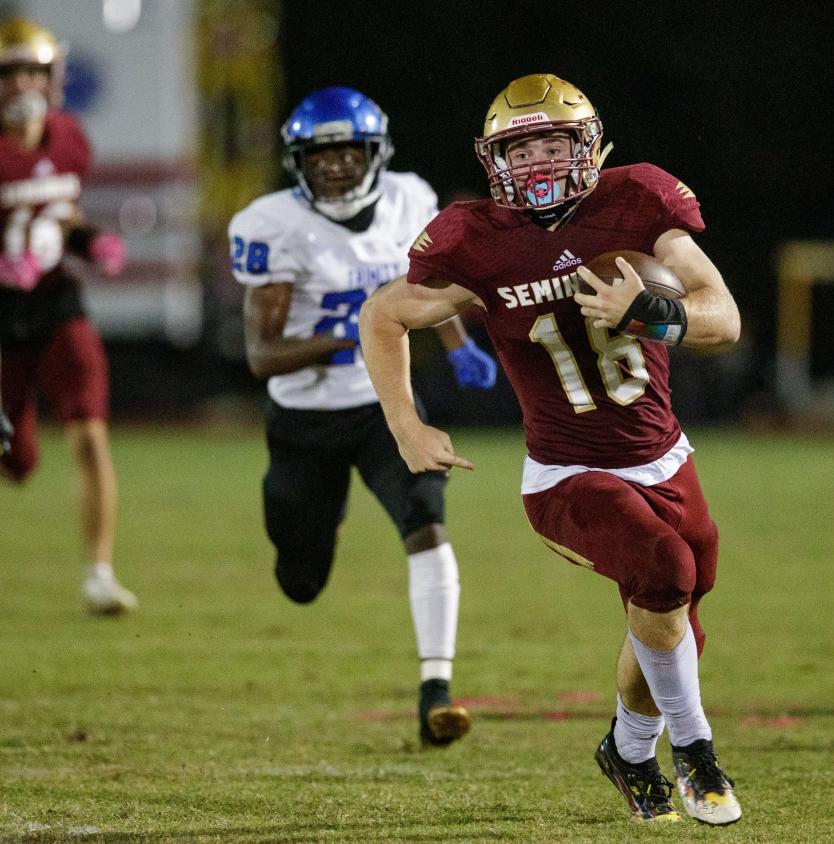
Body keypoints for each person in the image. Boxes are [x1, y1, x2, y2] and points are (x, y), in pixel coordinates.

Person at [359, 73, 743, 824]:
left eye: (550, 143)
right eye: (519, 148)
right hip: (566, 474)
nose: (535, 162)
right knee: (664, 574)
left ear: (590, 145)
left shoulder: (640, 201)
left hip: (666, 458)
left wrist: (651, 312)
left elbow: (722, 317)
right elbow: (382, 315)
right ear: (492, 159)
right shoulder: (476, 239)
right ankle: (697, 756)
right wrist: (406, 425)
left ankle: (629, 750)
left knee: (673, 619)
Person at [228, 87, 497, 747]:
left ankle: (436, 688)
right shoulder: (272, 225)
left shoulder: (410, 198)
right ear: (300, 162)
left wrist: (460, 346)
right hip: (305, 420)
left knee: (426, 515)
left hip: (387, 404)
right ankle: (325, 522)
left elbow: (431, 288)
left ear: (375, 154)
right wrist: (358, 333)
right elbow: (263, 359)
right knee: (300, 580)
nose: (337, 167)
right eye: (322, 156)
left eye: (349, 153)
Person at [0, 17, 137, 615]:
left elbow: (64, 214)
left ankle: (100, 574)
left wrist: (90, 241)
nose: (22, 84)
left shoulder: (69, 138)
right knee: (18, 462)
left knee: (89, 429)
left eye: (32, 71)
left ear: (52, 76)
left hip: (55, 304)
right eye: (9, 74)